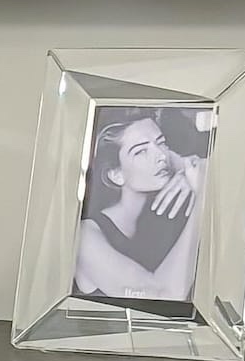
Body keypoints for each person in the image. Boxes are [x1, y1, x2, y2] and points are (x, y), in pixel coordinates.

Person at [75, 108, 205, 303]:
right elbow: (164, 296)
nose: (161, 155)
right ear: (116, 175)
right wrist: (202, 197)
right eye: (141, 151)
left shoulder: (160, 217)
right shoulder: (86, 236)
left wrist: (201, 170)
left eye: (161, 143)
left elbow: (199, 165)